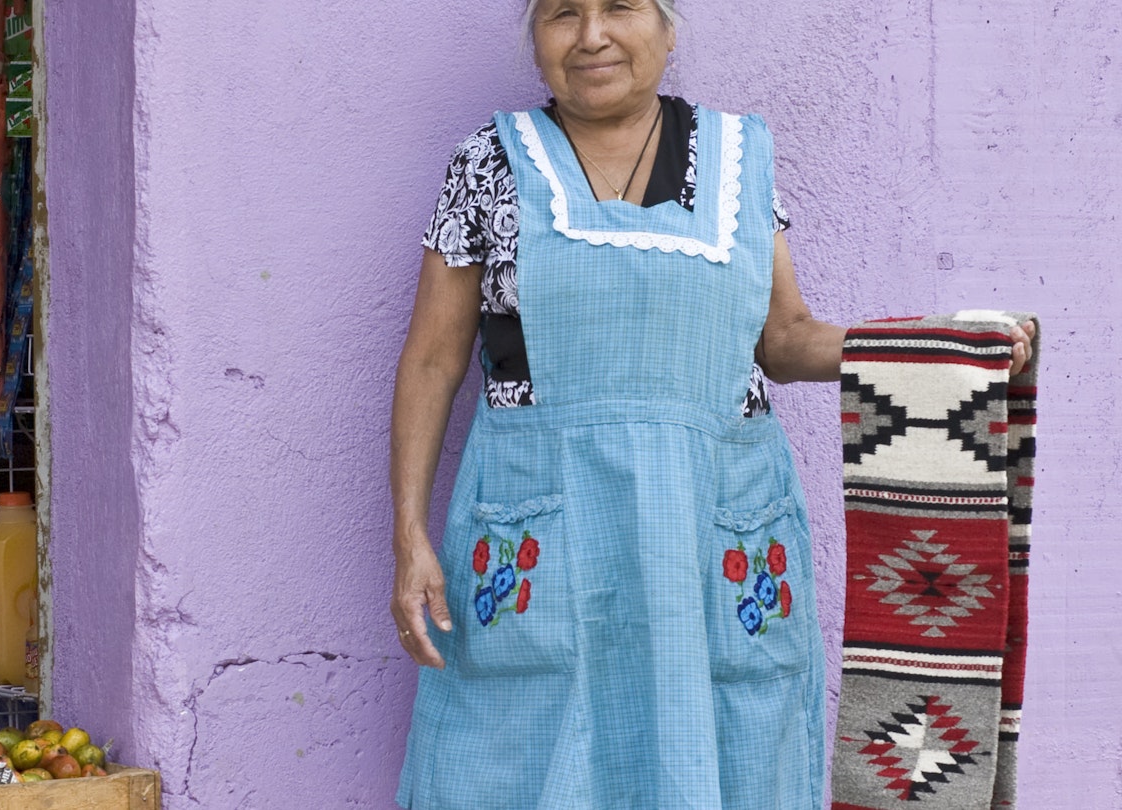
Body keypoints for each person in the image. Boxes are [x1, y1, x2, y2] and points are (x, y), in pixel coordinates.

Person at [388, 1, 1036, 807]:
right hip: (544, 539)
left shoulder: (740, 159)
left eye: (618, 7)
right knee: (522, 762)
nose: (591, 35)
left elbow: (786, 339)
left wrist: (929, 350)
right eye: (562, 13)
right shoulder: (488, 161)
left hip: (709, 539)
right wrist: (410, 534)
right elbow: (429, 359)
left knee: (730, 753)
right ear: (536, 39)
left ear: (667, 30)